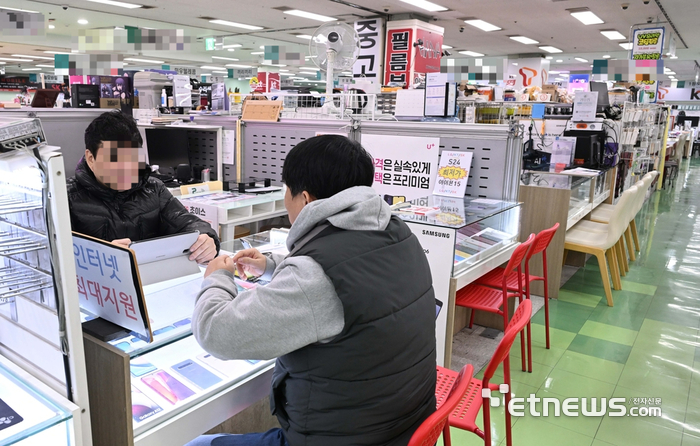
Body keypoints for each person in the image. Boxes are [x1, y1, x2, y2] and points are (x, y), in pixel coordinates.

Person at [188, 135, 436, 446]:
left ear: (305, 199)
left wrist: (217, 278)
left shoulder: (316, 274)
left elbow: (216, 333)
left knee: (195, 444)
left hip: (344, 438)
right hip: (404, 424)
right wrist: (272, 267)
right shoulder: (396, 231)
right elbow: (351, 279)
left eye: (286, 193)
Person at [67, 110, 219, 263]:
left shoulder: (153, 189)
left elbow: (188, 222)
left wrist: (207, 239)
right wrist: (102, 255)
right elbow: (58, 257)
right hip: (99, 283)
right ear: (91, 158)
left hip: (152, 282)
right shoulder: (67, 198)